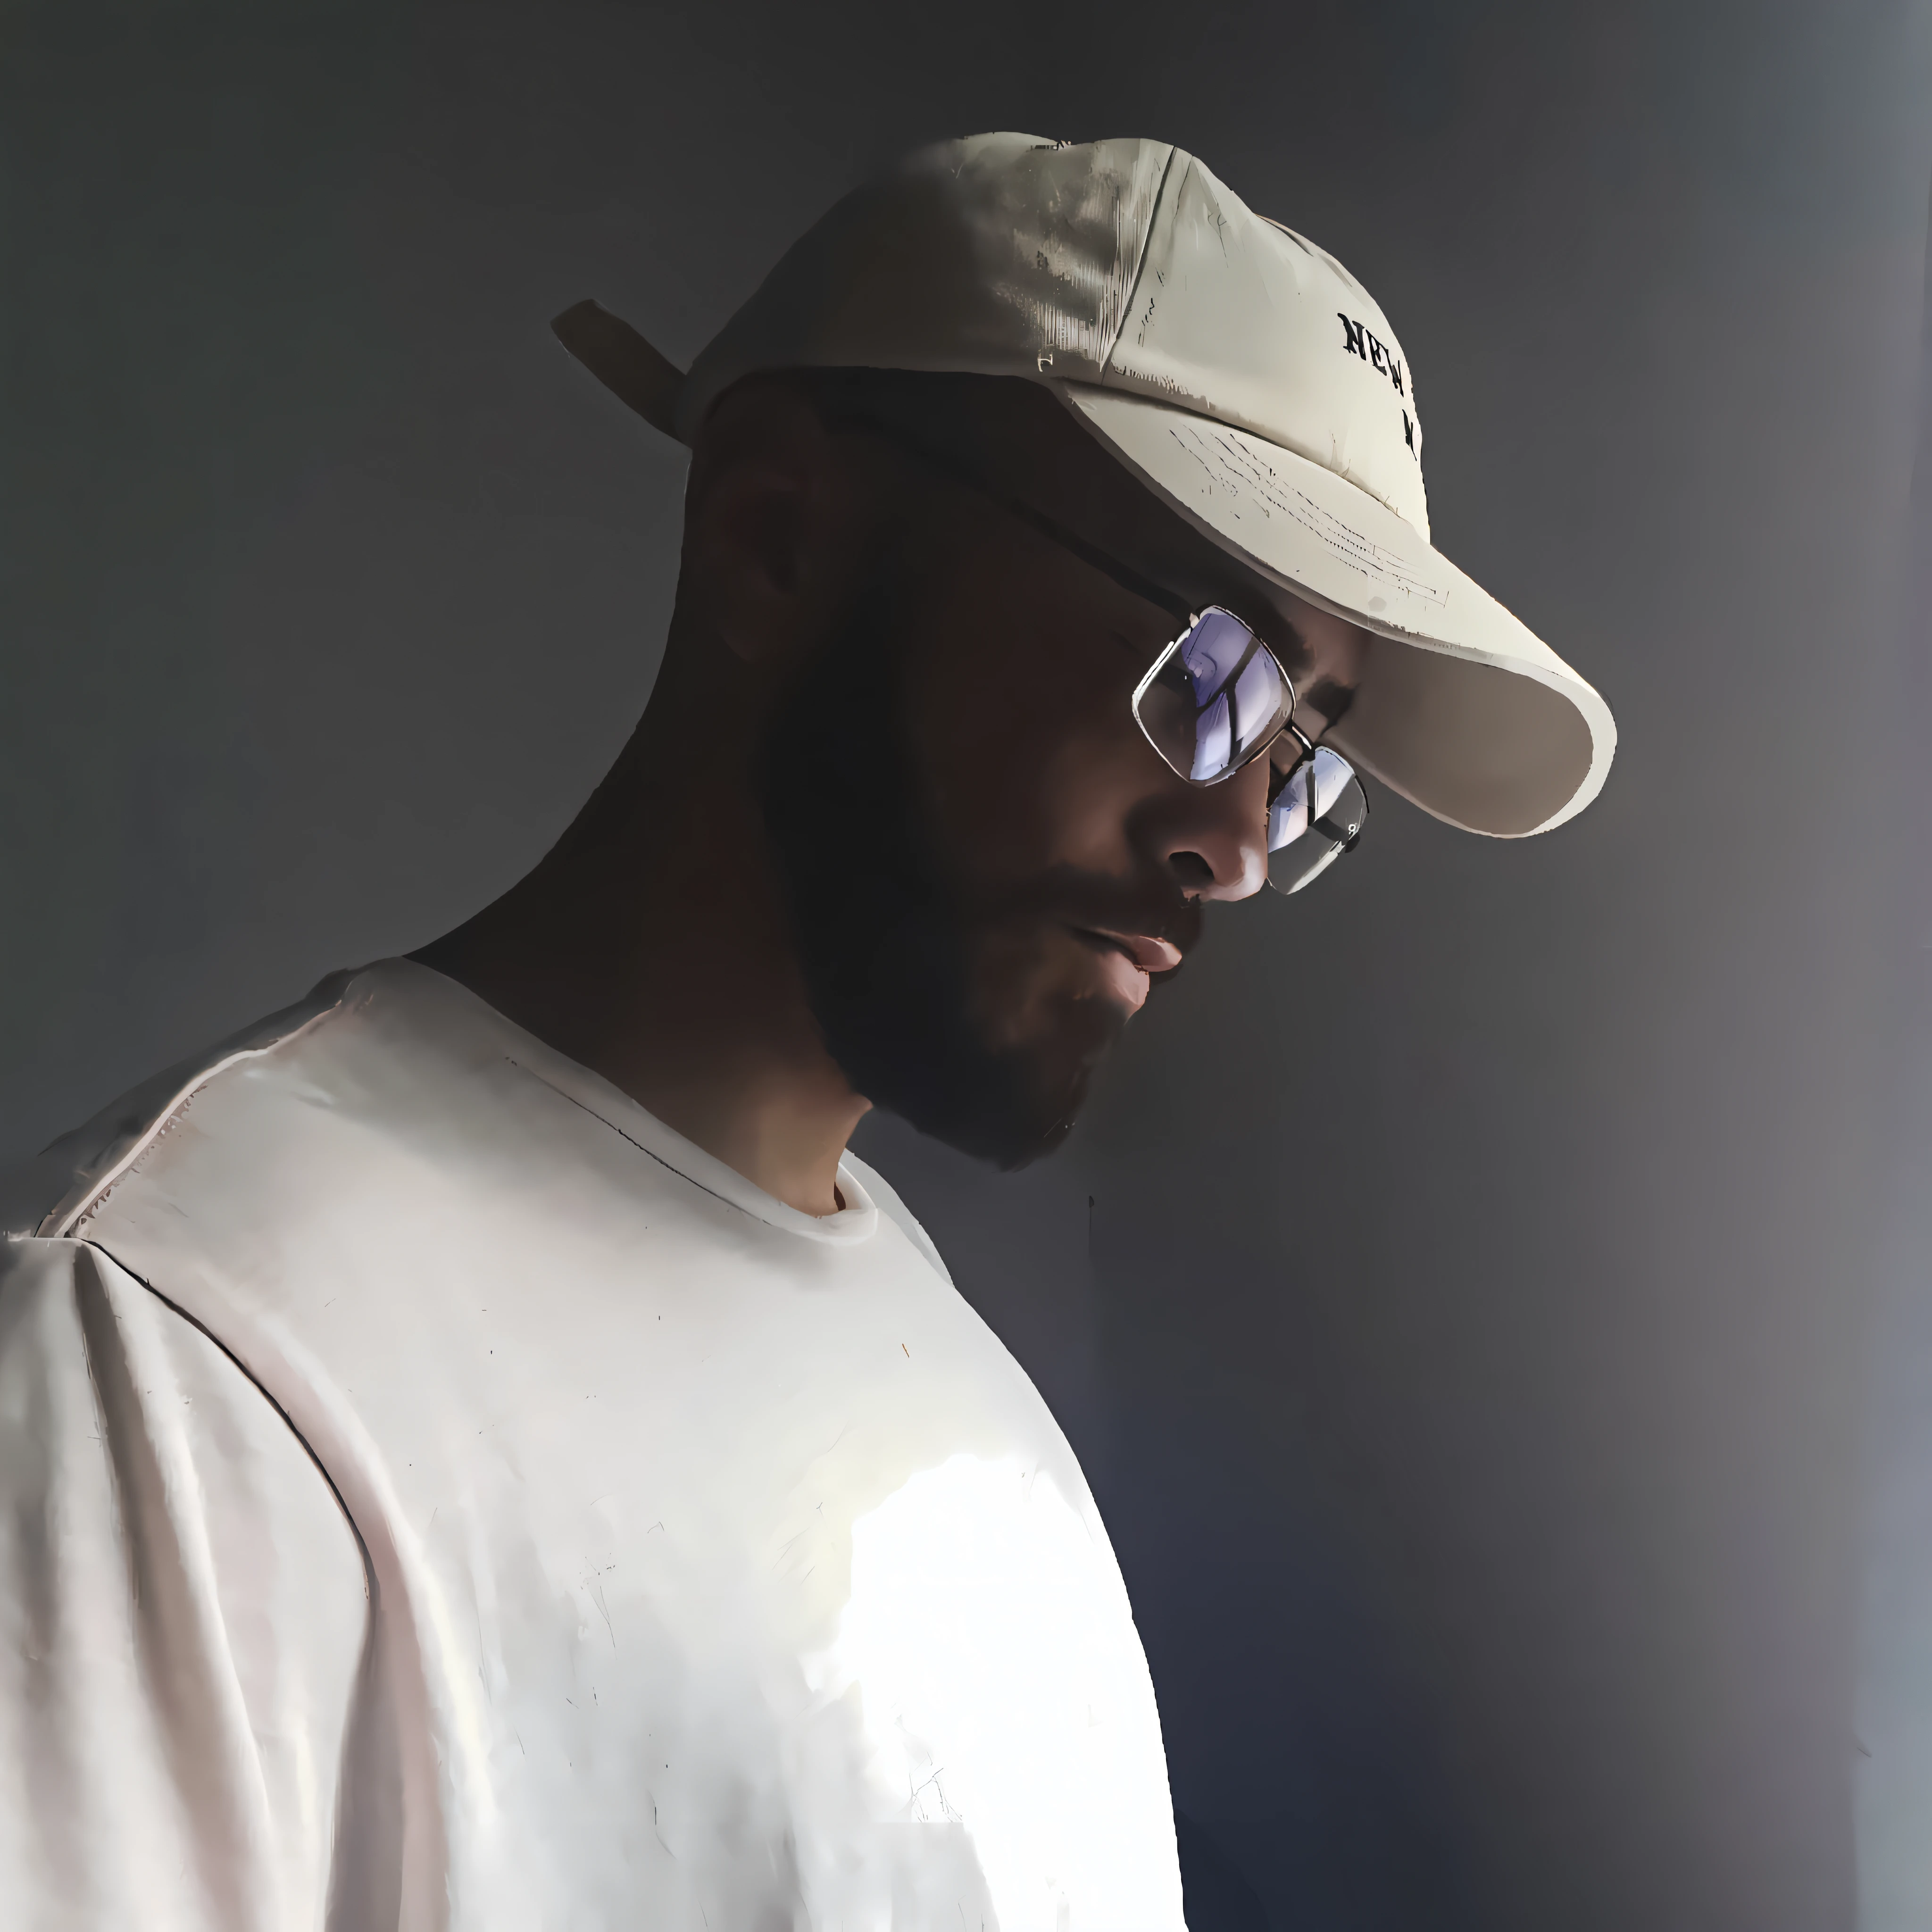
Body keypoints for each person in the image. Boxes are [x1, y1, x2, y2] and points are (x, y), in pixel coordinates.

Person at [0, 133, 1614, 1929]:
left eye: (1300, 752)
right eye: (1213, 673)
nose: (1234, 845)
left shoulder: (968, 1420)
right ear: (775, 540)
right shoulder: (168, 1367)